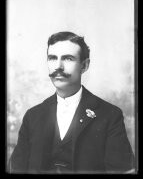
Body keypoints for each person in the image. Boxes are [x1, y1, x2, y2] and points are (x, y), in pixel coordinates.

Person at [8, 31, 135, 174]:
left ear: (84, 65)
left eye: (68, 59)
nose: (58, 66)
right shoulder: (32, 116)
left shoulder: (110, 115)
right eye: (52, 58)